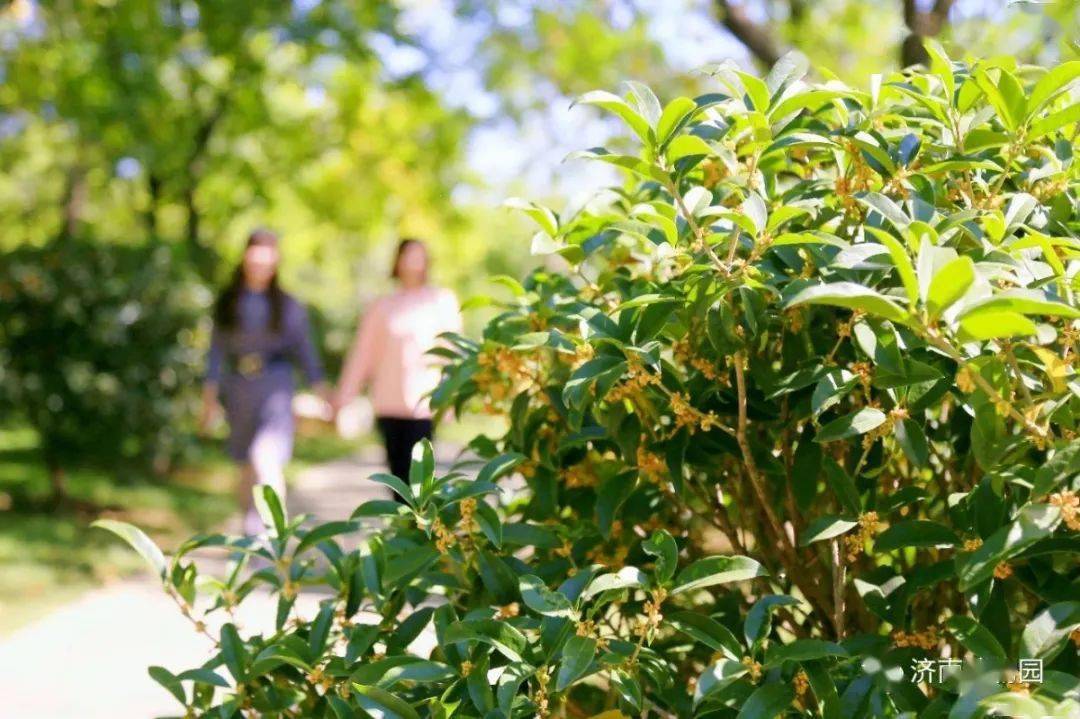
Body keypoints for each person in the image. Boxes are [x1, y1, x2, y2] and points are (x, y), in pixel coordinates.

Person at [201, 229, 329, 535]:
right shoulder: (227, 303)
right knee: (247, 466)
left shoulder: (288, 306)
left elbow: (306, 352)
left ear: (275, 261)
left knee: (265, 459)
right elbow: (215, 353)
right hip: (239, 392)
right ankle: (251, 530)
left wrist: (324, 392)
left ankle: (273, 537)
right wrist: (208, 400)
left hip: (276, 391)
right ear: (245, 257)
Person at [334, 238, 462, 487]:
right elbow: (362, 355)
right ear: (397, 261)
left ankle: (420, 525)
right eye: (408, 256)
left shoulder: (441, 301)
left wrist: (452, 396)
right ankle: (402, 524)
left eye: (419, 256)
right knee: (397, 478)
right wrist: (344, 396)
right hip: (389, 404)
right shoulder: (382, 307)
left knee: (420, 479)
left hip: (424, 404)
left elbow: (453, 352)